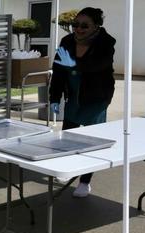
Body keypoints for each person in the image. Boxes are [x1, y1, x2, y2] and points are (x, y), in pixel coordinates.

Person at [49, 7, 115, 198]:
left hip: (96, 97)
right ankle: (68, 168)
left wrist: (74, 65)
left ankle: (85, 181)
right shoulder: (67, 41)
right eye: (75, 25)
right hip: (74, 95)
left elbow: (99, 65)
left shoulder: (105, 42)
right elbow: (59, 71)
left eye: (84, 26)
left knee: (90, 141)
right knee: (68, 137)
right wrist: (55, 97)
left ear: (96, 26)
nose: (78, 29)